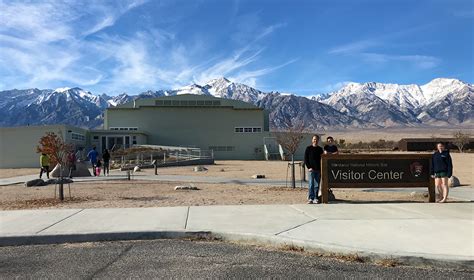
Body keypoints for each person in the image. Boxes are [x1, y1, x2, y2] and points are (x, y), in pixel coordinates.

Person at [304, 135, 324, 204]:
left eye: (316, 139)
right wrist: (309, 167)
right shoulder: (308, 148)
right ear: (312, 140)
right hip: (311, 170)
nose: (315, 140)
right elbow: (306, 159)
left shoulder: (320, 149)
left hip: (318, 170)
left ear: (318, 140)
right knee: (311, 184)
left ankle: (316, 198)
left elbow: (322, 159)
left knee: (317, 185)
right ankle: (310, 198)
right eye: (314, 139)